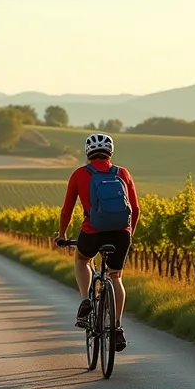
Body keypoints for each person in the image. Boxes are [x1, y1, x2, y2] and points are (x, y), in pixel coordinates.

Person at [56, 132, 140, 351]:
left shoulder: (79, 174)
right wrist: (129, 233)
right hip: (121, 233)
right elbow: (135, 208)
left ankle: (86, 299)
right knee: (116, 276)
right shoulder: (122, 173)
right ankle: (117, 327)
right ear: (110, 152)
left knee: (82, 259)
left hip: (92, 231)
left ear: (88, 152)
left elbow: (66, 210)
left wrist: (62, 234)